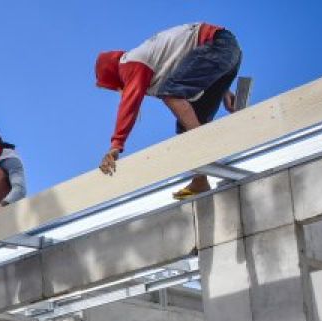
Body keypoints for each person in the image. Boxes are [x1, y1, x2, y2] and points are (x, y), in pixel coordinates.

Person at [95, 23, 242, 199]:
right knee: (185, 125)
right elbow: (190, 64)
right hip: (226, 53)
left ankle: (205, 146)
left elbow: (130, 101)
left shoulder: (128, 63)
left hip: (217, 44)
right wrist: (224, 90)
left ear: (111, 74)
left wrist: (116, 145)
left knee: (171, 94)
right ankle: (200, 180)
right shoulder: (156, 63)